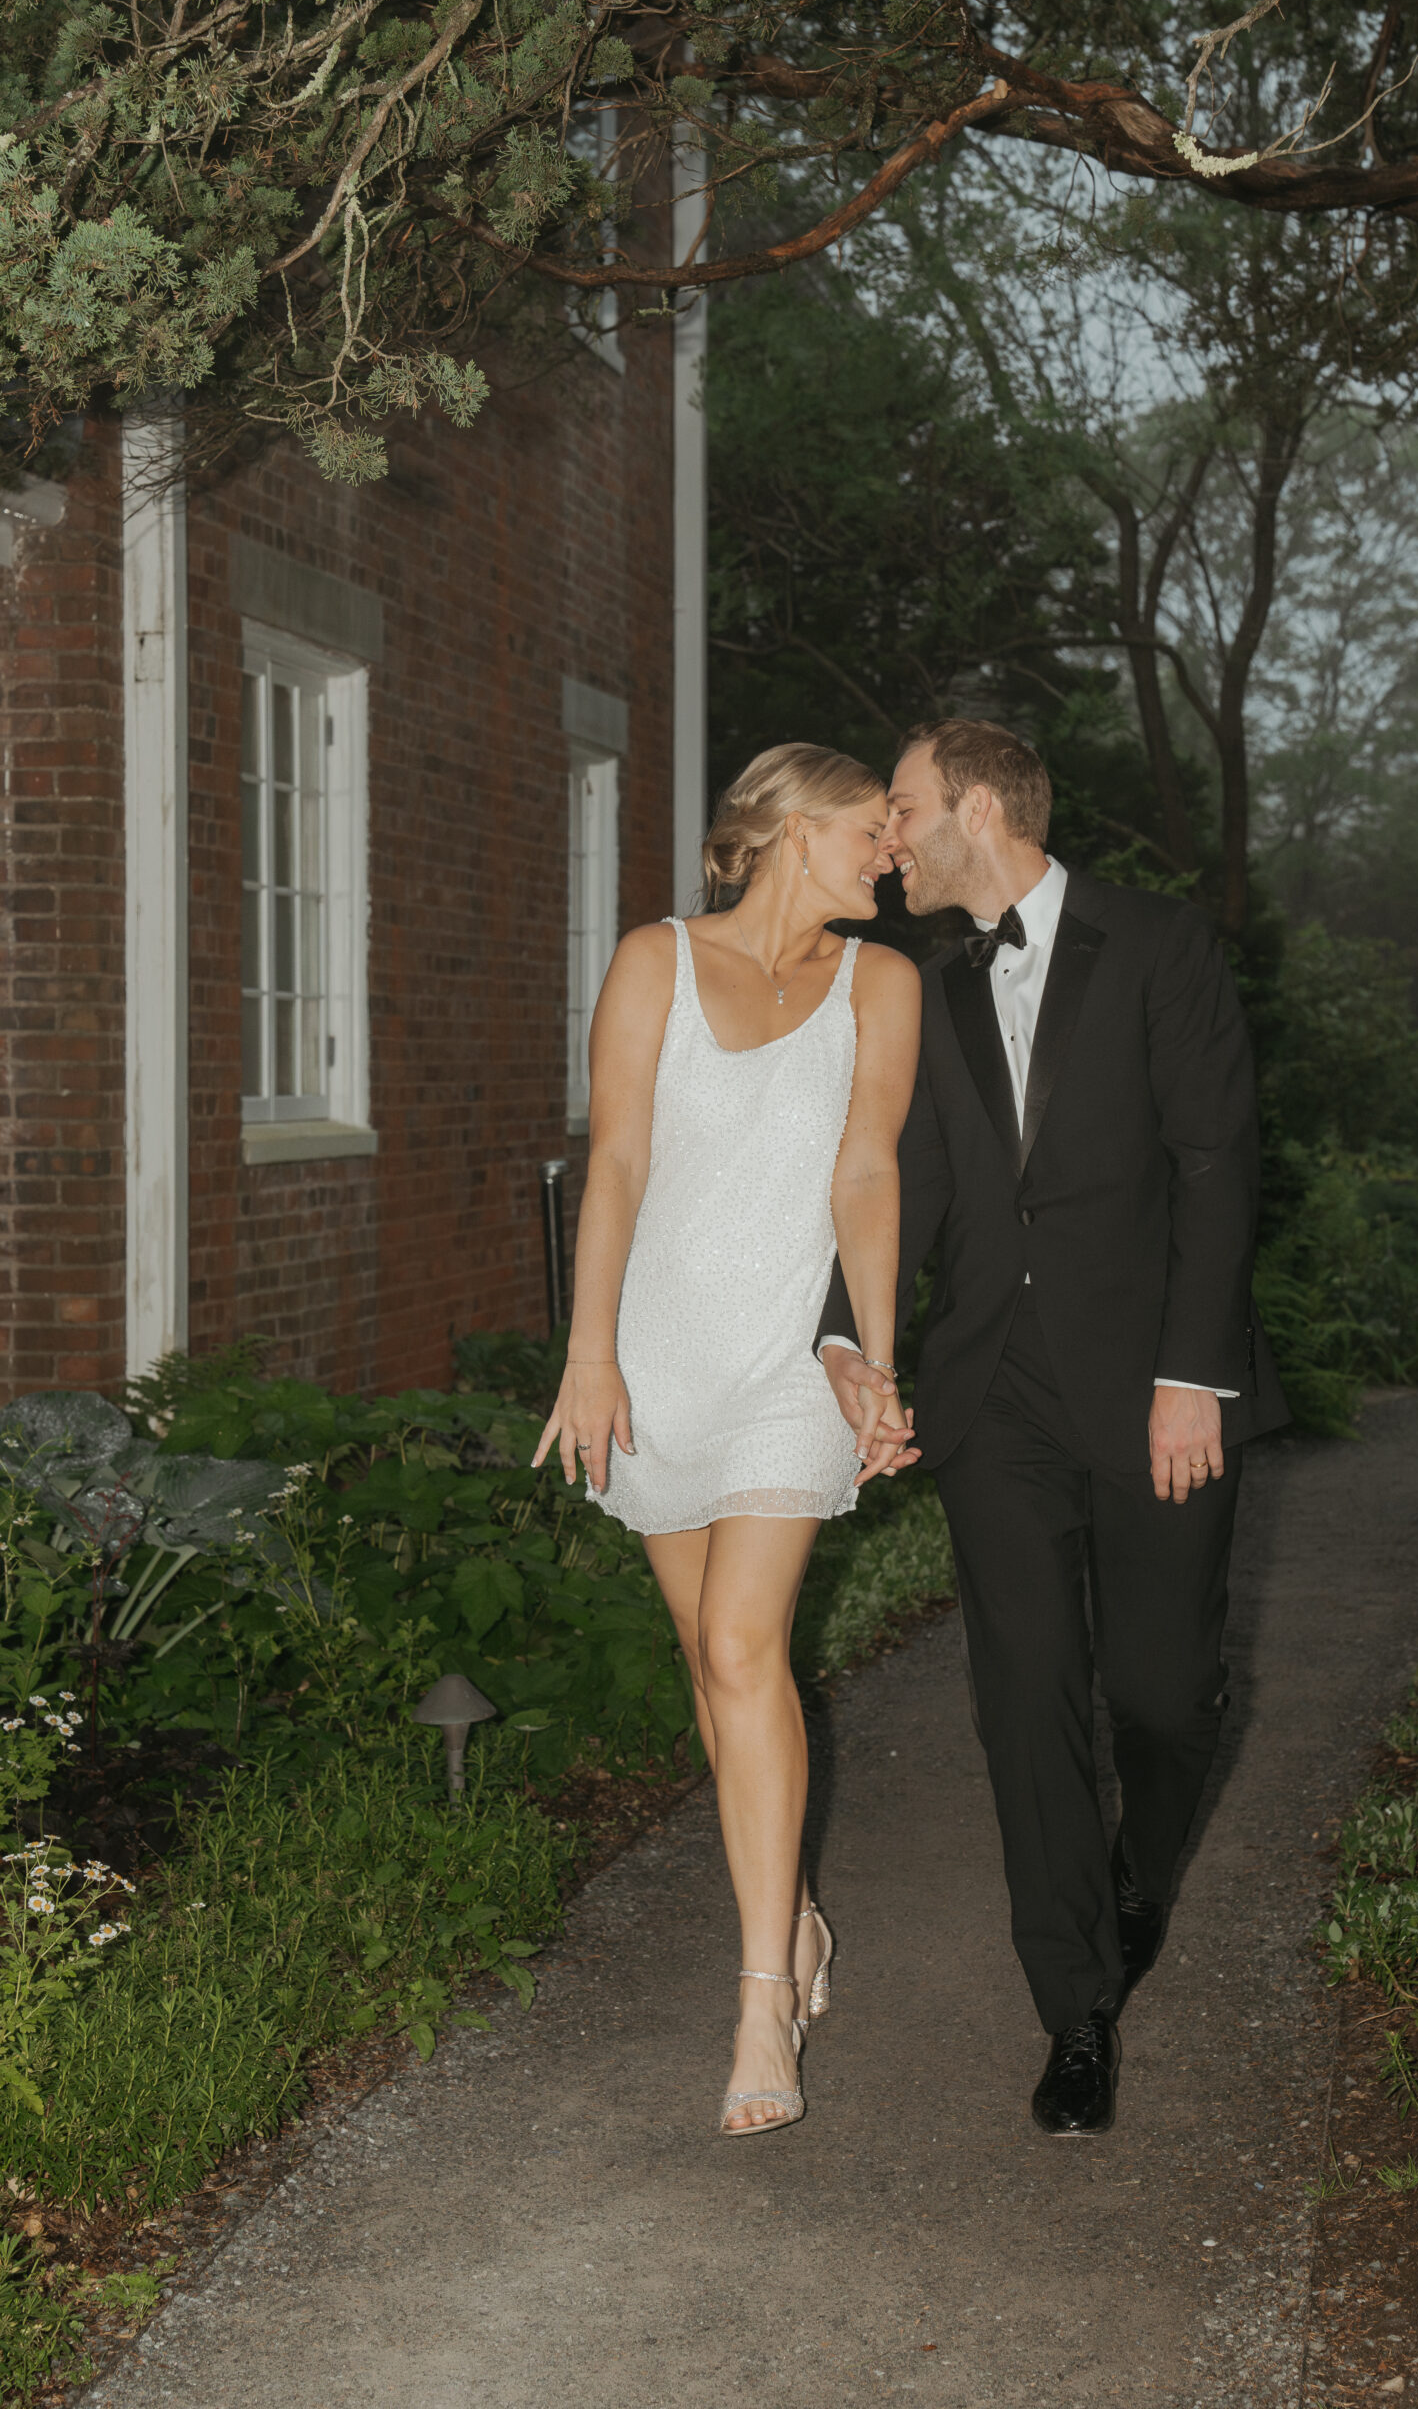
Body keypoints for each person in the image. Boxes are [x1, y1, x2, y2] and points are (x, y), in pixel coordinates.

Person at [819, 719, 1288, 2137]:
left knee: (1160, 1696)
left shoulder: (1157, 945)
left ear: (974, 806)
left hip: (1153, 1384)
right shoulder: (918, 979)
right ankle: (1076, 2010)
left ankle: (1144, 1869)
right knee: (1024, 1699)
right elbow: (897, 1180)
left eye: (901, 810)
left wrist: (1193, 1373)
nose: (889, 839)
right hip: (992, 1397)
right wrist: (850, 1335)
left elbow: (1216, 1161)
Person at [536, 744, 921, 2137]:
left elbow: (867, 1168)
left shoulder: (884, 985)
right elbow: (618, 1160)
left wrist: (872, 1364)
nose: (892, 853)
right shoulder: (654, 962)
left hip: (780, 1370)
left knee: (749, 1645)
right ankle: (800, 1916)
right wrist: (589, 1358)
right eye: (872, 832)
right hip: (656, 1361)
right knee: (710, 1660)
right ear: (787, 829)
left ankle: (762, 1996)